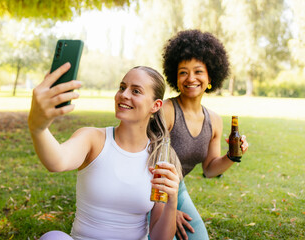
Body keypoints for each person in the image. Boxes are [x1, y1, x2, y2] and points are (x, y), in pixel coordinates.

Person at [28, 63, 184, 240]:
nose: (123, 95)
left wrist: (172, 201)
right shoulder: (92, 138)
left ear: (155, 106)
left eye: (136, 91)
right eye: (122, 88)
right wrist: (38, 128)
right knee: (53, 238)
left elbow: (159, 238)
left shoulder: (160, 157)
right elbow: (57, 161)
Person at [161, 30, 249, 240]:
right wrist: (168, 209)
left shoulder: (214, 120)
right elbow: (142, 164)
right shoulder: (166, 111)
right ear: (176, 77)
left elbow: (209, 170)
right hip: (149, 190)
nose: (190, 78)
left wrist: (231, 155)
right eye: (183, 72)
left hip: (177, 188)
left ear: (210, 76)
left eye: (198, 71)